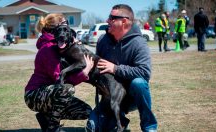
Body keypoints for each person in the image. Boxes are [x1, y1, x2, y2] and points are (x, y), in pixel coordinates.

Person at [86, 4, 157, 132]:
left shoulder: (138, 43)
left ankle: (149, 127)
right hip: (110, 96)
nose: (107, 20)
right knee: (93, 127)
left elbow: (144, 72)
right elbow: (97, 70)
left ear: (124, 21)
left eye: (112, 18)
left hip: (131, 96)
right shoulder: (102, 40)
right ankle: (120, 119)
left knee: (139, 83)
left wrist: (115, 69)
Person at [24, 13, 94, 132]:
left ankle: (45, 116)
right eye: (65, 23)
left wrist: (75, 47)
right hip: (34, 94)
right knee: (66, 89)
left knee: (85, 111)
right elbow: (59, 80)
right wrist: (84, 72)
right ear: (56, 28)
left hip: (51, 93)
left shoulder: (60, 45)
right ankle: (53, 127)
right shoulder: (48, 48)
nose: (68, 26)